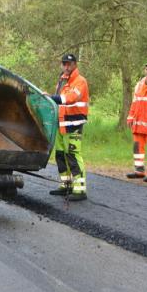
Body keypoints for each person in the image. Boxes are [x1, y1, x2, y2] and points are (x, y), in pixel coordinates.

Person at [47, 54, 90, 201]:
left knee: (72, 155)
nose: (66, 66)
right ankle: (66, 185)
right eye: (64, 64)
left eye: (69, 64)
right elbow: (58, 102)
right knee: (60, 155)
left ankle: (80, 189)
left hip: (74, 124)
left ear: (75, 64)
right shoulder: (62, 80)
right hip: (61, 123)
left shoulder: (80, 81)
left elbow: (70, 98)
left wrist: (51, 97)